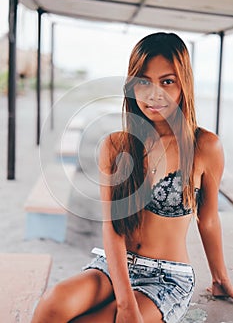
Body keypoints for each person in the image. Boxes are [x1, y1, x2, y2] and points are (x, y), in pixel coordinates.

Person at [31, 32, 233, 323]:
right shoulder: (115, 146)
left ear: (183, 84)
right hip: (113, 265)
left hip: (167, 277)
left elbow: (209, 219)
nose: (154, 94)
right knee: (52, 303)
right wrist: (126, 304)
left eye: (167, 81)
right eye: (143, 82)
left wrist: (220, 278)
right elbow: (112, 228)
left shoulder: (205, 146)